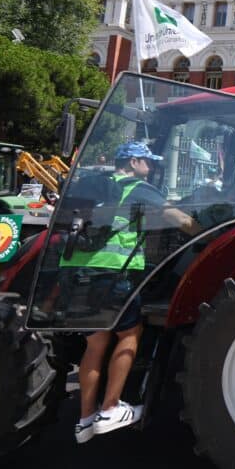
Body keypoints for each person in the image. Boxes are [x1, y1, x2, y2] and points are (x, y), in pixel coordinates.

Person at [64, 141, 200, 444]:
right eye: (146, 162)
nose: (150, 168)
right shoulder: (136, 187)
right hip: (112, 273)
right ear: (134, 162)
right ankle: (111, 407)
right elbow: (178, 219)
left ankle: (86, 418)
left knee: (96, 344)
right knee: (129, 334)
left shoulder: (93, 184)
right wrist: (206, 232)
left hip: (77, 271)